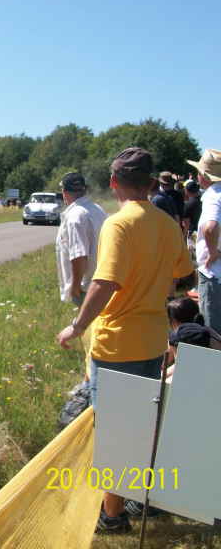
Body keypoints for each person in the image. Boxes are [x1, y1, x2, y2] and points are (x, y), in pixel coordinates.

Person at [56, 147, 193, 534]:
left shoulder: (119, 225)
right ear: (151, 183)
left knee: (115, 431)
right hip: (153, 339)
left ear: (114, 183)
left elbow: (105, 282)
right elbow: (184, 276)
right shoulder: (166, 223)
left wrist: (78, 325)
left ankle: (112, 516)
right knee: (138, 423)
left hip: (119, 343)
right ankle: (136, 498)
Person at [55, 173, 107, 306]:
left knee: (86, 325)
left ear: (65, 192)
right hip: (102, 282)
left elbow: (79, 256)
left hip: (86, 288)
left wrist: (75, 286)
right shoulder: (98, 209)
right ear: (84, 190)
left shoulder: (74, 217)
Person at [188, 148, 221, 333]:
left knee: (213, 333)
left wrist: (213, 252)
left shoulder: (213, 195)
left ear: (204, 176)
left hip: (213, 274)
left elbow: (210, 227)